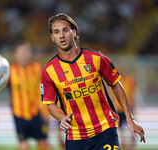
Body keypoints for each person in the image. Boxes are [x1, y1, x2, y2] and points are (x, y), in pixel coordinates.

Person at [40, 13, 145, 150]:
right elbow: (50, 104)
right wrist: (62, 117)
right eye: (56, 32)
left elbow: (115, 84)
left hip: (105, 129)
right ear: (52, 37)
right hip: (76, 135)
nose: (61, 35)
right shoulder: (49, 71)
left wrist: (129, 118)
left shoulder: (96, 58)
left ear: (74, 32)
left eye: (65, 30)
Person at [0, 42, 49, 150]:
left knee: (43, 144)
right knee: (24, 146)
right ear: (15, 55)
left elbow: (48, 85)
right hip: (19, 114)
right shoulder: (10, 70)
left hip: (36, 112)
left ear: (30, 54)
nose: (23, 55)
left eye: (25, 52)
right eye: (20, 53)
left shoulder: (37, 68)